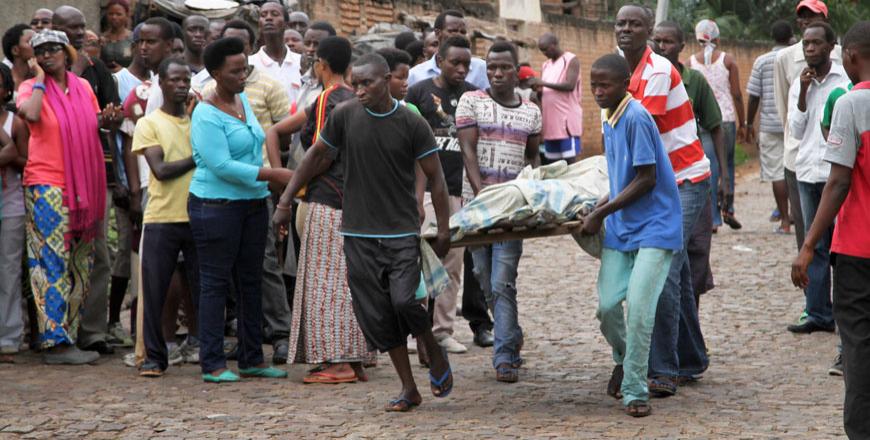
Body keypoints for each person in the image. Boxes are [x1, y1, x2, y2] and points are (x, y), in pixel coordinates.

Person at [273, 53, 454, 412]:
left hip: (400, 230)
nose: (359, 91)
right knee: (377, 315)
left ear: (386, 80)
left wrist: (444, 227)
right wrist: (286, 200)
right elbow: (315, 156)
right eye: (355, 83)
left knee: (404, 300)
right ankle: (408, 389)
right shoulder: (345, 116)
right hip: (356, 233)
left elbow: (436, 177)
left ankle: (431, 346)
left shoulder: (410, 122)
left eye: (366, 83)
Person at [614, 4, 712, 398]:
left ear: (649, 31)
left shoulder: (654, 72)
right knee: (680, 274)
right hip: (659, 179)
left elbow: (640, 136)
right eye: (620, 23)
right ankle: (690, 359)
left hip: (684, 179)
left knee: (662, 270)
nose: (626, 30)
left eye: (635, 24)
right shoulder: (620, 71)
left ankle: (663, 369)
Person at [266, 36, 372, 383]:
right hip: (357, 201)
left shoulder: (328, 99)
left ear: (322, 65)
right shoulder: (360, 99)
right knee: (348, 282)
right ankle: (353, 358)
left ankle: (338, 361)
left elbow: (320, 154)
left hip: (329, 200)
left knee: (327, 285)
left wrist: (287, 195)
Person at [582, 53, 682, 418]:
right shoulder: (609, 117)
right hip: (622, 228)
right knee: (607, 307)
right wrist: (598, 205)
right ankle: (625, 360)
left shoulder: (637, 117)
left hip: (656, 226)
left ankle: (636, 390)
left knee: (640, 310)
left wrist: (600, 214)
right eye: (594, 84)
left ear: (626, 83)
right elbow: (618, 176)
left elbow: (646, 178)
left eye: (605, 84)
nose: (598, 91)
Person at [189, 37, 291, 383]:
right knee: (215, 283)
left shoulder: (243, 99)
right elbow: (220, 165)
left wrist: (266, 181)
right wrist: (272, 174)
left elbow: (256, 143)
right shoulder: (205, 112)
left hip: (252, 203)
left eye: (245, 68)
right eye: (235, 71)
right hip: (215, 206)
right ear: (215, 73)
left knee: (252, 282)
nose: (243, 75)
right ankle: (213, 362)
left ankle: (251, 358)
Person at [791, 20, 870, 439]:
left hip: (858, 250)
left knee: (858, 347)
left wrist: (807, 246)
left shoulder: (852, 104)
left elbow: (838, 182)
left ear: (853, 56)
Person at [17, 29, 108, 364]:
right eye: (40, 51)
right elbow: (31, 114)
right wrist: (39, 78)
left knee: (82, 260)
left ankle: (69, 333)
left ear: (67, 52)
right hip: (47, 184)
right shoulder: (30, 87)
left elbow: (87, 124)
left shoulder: (83, 86)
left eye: (54, 49)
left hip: (84, 185)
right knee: (50, 261)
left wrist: (107, 119)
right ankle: (54, 341)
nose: (47, 55)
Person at [456, 41, 542, 382]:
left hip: (513, 211)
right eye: (491, 67)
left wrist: (528, 191)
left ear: (516, 70)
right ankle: (512, 335)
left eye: (504, 67)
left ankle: (504, 355)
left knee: (503, 281)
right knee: (483, 279)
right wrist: (482, 196)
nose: (496, 73)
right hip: (477, 209)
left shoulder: (530, 110)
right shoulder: (471, 101)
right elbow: (467, 149)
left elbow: (532, 156)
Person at [53, 5, 124, 356]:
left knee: (98, 256)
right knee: (58, 258)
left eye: (82, 27)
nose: (79, 34)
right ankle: (56, 332)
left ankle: (92, 331)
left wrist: (110, 119)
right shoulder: (45, 74)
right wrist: (75, 68)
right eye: (71, 28)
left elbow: (107, 121)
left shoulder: (100, 73)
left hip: (96, 175)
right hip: (54, 177)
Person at [406, 36, 477, 355]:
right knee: (418, 257)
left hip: (455, 189)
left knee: (452, 260)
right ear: (440, 61)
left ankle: (443, 330)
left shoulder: (474, 95)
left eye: (466, 64)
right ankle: (413, 331)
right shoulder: (420, 92)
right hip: (423, 189)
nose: (461, 69)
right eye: (455, 63)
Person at [652, 21, 729, 309]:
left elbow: (715, 126)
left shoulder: (694, 81)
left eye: (668, 41)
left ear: (682, 46)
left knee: (694, 250)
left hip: (691, 175)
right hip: (658, 178)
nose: (661, 46)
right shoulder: (644, 79)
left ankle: (691, 326)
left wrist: (724, 177)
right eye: (656, 40)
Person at [133, 58, 200, 378]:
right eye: (174, 79)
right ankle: (153, 358)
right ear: (161, 82)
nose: (181, 85)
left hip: (198, 216)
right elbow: (160, 170)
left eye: (185, 79)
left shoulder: (197, 122)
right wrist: (199, 156)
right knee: (156, 290)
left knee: (202, 290)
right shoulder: (150, 123)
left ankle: (207, 351)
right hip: (161, 217)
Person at [786, 22, 849, 336]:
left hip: (837, 174)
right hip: (808, 172)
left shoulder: (846, 78)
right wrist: (803, 93)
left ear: (831, 46)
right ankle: (818, 313)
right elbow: (796, 131)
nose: (809, 48)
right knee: (814, 245)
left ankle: (849, 312)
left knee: (844, 248)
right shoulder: (801, 83)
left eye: (815, 43)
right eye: (805, 44)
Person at [774, 0, 842, 271]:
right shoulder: (786, 58)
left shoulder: (841, 62)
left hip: (832, 163)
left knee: (837, 238)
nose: (806, 21)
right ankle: (813, 304)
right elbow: (785, 110)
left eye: (812, 16)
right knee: (808, 236)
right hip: (799, 157)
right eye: (801, 17)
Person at [689, 19, 745, 230]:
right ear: (717, 38)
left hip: (701, 120)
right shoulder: (727, 60)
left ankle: (712, 217)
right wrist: (745, 123)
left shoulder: (690, 63)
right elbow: (737, 94)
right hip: (726, 118)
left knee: (709, 166)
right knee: (727, 164)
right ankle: (728, 209)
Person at [746, 20, 793, 234]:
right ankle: (797, 216)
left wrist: (748, 124)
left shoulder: (762, 61)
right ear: (791, 36)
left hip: (769, 124)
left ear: (772, 37)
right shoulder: (796, 57)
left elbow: (754, 96)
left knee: (777, 173)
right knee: (795, 170)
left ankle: (784, 221)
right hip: (794, 122)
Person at [0, 64, 27, 355]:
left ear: (7, 89)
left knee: (8, 270)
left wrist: (7, 153)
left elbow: (23, 159)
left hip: (10, 204)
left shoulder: (15, 122)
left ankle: (8, 336)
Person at [408, 10, 489, 90]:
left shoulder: (480, 68)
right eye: (453, 31)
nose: (459, 35)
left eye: (463, 32)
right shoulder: (415, 75)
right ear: (437, 33)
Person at [535, 33, 583, 164]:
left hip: (566, 124)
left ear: (554, 45)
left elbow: (570, 85)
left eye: (546, 49)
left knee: (571, 164)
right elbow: (545, 91)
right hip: (550, 125)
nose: (544, 53)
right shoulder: (546, 65)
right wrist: (538, 90)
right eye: (541, 50)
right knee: (553, 166)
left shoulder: (571, 59)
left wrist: (542, 83)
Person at [249, 1, 302, 104]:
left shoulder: (300, 62)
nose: (268, 18)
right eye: (263, 15)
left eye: (275, 14)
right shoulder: (250, 64)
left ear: (286, 24)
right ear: (259, 24)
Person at [101, 0, 134, 69]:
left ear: (127, 15)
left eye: (119, 14)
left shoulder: (133, 39)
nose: (114, 17)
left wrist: (122, 71)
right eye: (111, 14)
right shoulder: (101, 39)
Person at [2, 24, 36, 91]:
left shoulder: (43, 78)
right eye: (31, 41)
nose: (38, 44)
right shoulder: (3, 81)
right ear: (15, 50)